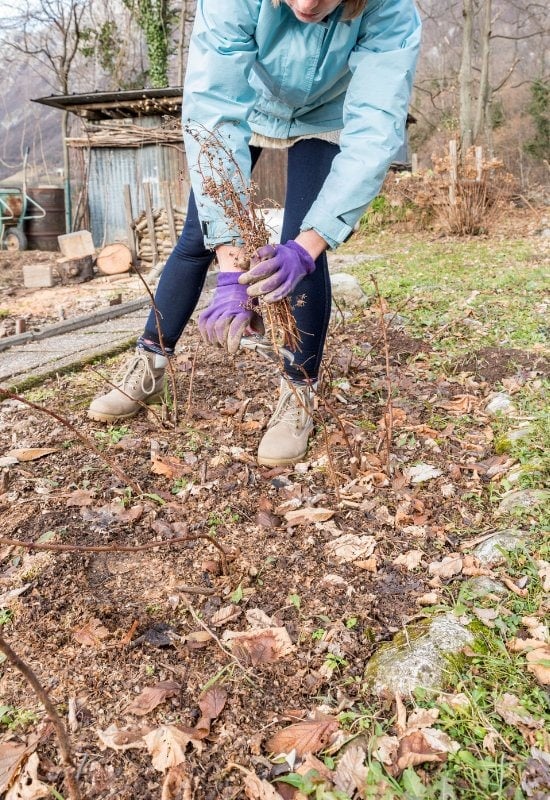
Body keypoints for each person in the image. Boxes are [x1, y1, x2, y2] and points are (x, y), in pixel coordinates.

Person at [88, 0, 421, 466]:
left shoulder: (391, 10)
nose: (307, 5)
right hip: (246, 104)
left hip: (329, 114)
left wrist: (307, 247)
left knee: (302, 249)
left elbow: (376, 129)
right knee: (196, 237)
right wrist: (230, 265)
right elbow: (214, 110)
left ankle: (298, 393)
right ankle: (149, 364)